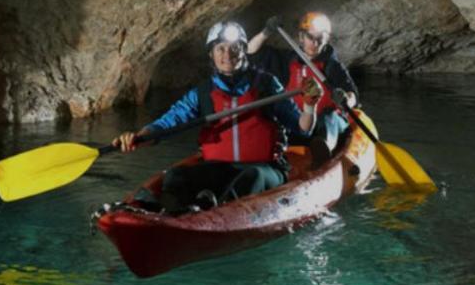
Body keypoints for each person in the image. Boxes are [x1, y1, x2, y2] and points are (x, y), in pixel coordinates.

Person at [111, 20, 320, 214]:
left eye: (234, 48)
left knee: (252, 177)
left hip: (266, 169)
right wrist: (138, 138)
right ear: (211, 54)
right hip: (219, 168)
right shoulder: (202, 93)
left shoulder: (267, 84)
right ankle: (170, 210)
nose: (227, 54)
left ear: (243, 51)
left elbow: (303, 128)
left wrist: (310, 106)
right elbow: (168, 123)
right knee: (176, 175)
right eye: (220, 48)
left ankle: (210, 210)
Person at [247, 11, 359, 158]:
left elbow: (353, 95)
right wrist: (266, 32)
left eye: (320, 39)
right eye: (310, 37)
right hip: (299, 122)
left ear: (326, 40)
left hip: (326, 124)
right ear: (301, 37)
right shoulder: (287, 60)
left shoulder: (332, 65)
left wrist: (346, 99)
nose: (315, 43)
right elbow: (250, 52)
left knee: (328, 116)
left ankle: (322, 150)